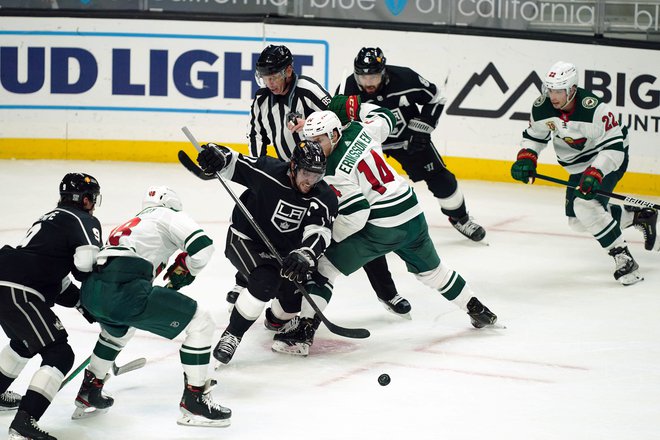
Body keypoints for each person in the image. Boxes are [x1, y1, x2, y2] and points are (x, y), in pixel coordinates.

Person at [270, 101, 498, 357]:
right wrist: (350, 106)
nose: (314, 146)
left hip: (382, 225)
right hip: (411, 211)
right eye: (309, 140)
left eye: (319, 139)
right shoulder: (359, 129)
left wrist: (325, 243)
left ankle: (302, 336)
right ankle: (477, 309)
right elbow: (385, 116)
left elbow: (357, 214)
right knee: (434, 272)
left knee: (325, 268)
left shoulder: (331, 170)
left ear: (335, 134)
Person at [234, 44, 411, 321]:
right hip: (286, 177)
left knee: (355, 228)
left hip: (321, 176)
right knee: (270, 227)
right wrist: (259, 174)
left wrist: (307, 122)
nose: (270, 83)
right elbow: (256, 135)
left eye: (275, 77)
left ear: (288, 71)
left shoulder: (309, 90)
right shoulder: (260, 101)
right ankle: (246, 280)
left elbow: (337, 118)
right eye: (265, 78)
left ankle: (387, 292)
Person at [73, 186, 231, 427]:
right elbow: (202, 248)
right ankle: (195, 400)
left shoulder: (133, 223)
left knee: (120, 330)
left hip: (93, 291)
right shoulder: (169, 215)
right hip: (123, 289)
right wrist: (187, 269)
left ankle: (89, 390)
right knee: (201, 322)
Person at [511, 61, 658, 286]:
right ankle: (638, 217)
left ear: (572, 89)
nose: (553, 96)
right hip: (579, 166)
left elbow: (614, 147)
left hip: (608, 157)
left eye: (559, 90)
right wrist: (526, 157)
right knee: (577, 222)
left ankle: (623, 256)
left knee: (584, 205)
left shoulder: (594, 109)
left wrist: (596, 171)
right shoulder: (542, 107)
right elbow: (534, 136)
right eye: (550, 89)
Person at [196, 140, 338, 364]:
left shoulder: (324, 196)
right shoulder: (269, 171)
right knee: (264, 281)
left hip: (284, 254)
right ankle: (232, 334)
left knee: (290, 307)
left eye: (316, 175)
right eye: (306, 173)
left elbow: (320, 232)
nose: (310, 181)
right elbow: (233, 160)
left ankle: (273, 319)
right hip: (246, 239)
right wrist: (217, 155)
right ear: (293, 166)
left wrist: (305, 254)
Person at [338, 47, 486, 243]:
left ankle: (460, 218)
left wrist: (421, 129)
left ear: (384, 72)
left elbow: (436, 98)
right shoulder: (348, 89)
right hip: (370, 146)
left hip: (408, 141)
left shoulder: (405, 78)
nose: (368, 84)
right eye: (363, 78)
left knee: (442, 180)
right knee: (355, 186)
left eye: (373, 77)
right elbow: (340, 120)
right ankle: (355, 224)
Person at [0, 173, 102, 440]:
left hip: (7, 281)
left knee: (24, 342)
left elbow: (60, 281)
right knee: (59, 354)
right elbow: (86, 266)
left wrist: (85, 306)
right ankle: (24, 422)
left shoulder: (49, 218)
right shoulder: (83, 219)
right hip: (19, 290)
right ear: (87, 199)